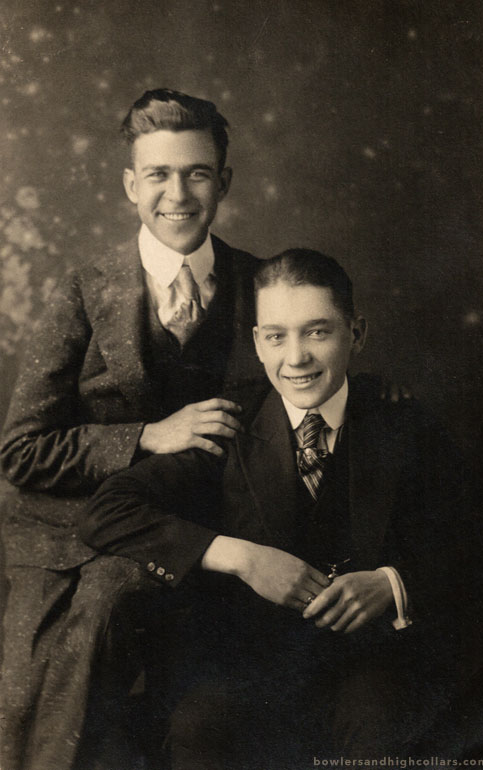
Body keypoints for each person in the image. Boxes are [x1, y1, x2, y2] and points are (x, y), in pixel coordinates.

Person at [83, 249, 473, 768]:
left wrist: (391, 583)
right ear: (257, 343)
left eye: (317, 332)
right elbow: (108, 510)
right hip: (250, 663)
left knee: (383, 722)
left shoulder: (402, 423)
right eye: (276, 336)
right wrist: (242, 557)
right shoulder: (228, 425)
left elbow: (469, 540)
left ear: (356, 334)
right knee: (199, 728)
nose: (296, 358)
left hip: (371, 663)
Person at [0, 88, 263, 770]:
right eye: (158, 175)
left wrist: (381, 394)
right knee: (34, 702)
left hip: (194, 536)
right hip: (64, 541)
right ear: (129, 185)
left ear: (224, 182)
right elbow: (20, 451)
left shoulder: (262, 285)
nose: (178, 194)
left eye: (197, 173)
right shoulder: (84, 290)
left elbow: (314, 373)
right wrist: (147, 434)